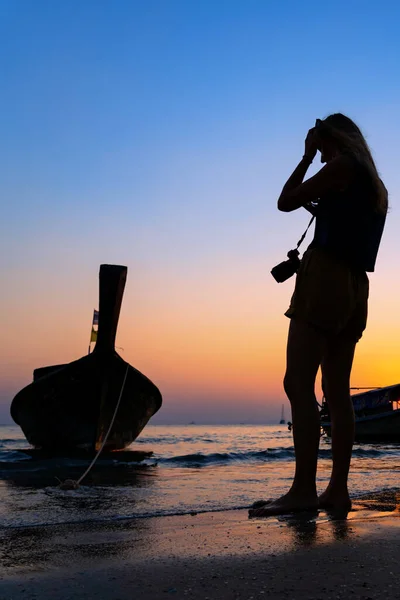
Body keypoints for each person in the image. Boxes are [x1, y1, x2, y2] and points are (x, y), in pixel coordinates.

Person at [249, 114, 388, 517]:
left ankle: (302, 491)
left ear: (332, 140)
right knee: (337, 391)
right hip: (355, 287)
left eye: (321, 144)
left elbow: (285, 200)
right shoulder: (372, 183)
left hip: (325, 277)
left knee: (297, 382)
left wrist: (307, 156)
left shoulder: (339, 166)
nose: (321, 154)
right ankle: (337, 492)